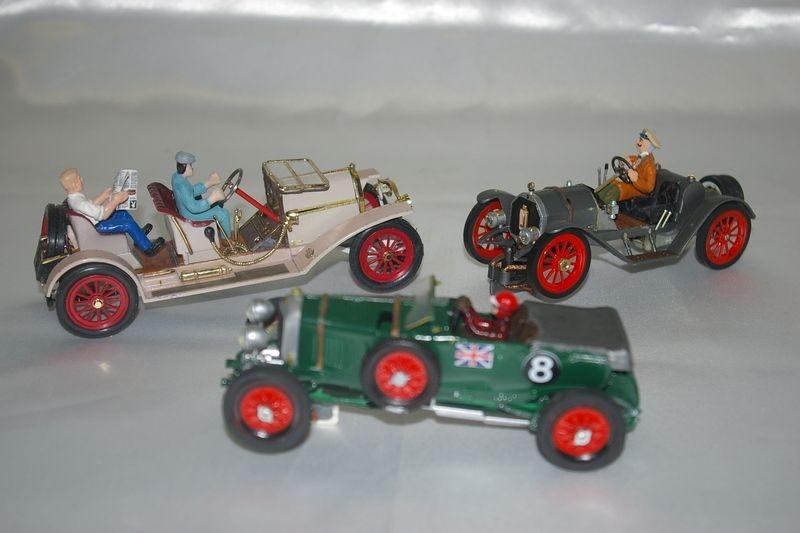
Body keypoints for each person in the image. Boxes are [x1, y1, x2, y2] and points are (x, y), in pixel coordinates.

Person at [60, 168, 165, 256]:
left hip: (93, 223)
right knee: (128, 224)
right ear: (74, 184)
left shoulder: (74, 199)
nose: (81, 179)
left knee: (122, 213)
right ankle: (148, 249)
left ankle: (138, 236)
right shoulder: (78, 203)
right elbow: (103, 215)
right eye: (79, 178)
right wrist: (116, 201)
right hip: (98, 227)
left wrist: (103, 196)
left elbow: (91, 205)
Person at [170, 151, 232, 235]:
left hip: (185, 211)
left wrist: (208, 183)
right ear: (184, 166)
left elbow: (191, 192)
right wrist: (212, 199)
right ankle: (227, 240)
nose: (192, 168)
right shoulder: (182, 185)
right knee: (223, 214)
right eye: (190, 165)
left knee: (217, 205)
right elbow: (194, 207)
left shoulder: (177, 177)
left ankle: (221, 233)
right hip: (190, 215)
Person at [596, 128, 661, 204]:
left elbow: (649, 188)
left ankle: (604, 207)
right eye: (639, 139)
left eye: (641, 140)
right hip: (631, 183)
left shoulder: (649, 164)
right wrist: (628, 159)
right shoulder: (642, 157)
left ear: (648, 145)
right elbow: (637, 160)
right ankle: (596, 200)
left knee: (614, 192)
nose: (638, 141)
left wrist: (636, 179)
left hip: (638, 190)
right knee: (608, 185)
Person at [454, 291, 520, 340]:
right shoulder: (501, 320)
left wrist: (479, 331)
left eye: (495, 307)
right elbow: (491, 324)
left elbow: (500, 336)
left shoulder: (503, 325)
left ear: (503, 311)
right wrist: (475, 319)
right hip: (490, 330)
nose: (492, 308)